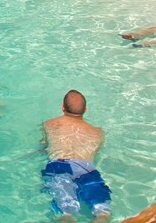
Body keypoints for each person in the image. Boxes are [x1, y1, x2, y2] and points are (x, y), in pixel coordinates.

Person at [42, 90, 112, 221]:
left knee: (65, 213)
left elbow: (44, 146)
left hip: (59, 166)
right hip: (87, 169)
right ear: (85, 109)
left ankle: (67, 216)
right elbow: (95, 152)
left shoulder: (50, 124)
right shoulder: (98, 132)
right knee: (103, 213)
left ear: (62, 107)